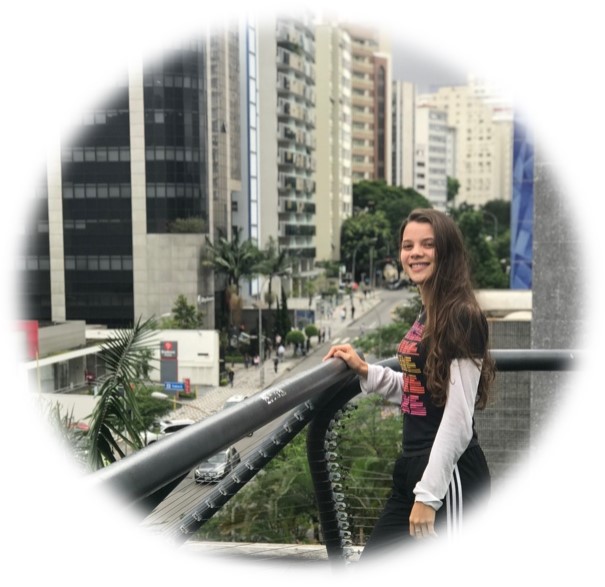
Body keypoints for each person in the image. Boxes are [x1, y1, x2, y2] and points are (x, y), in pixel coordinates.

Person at [323, 208, 495, 559]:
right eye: (407, 245)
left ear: (446, 251)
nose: (414, 252)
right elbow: (421, 388)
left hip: (450, 476)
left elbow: (459, 418)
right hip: (412, 468)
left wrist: (430, 495)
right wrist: (366, 370)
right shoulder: (428, 310)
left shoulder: (462, 315)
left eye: (427, 244)